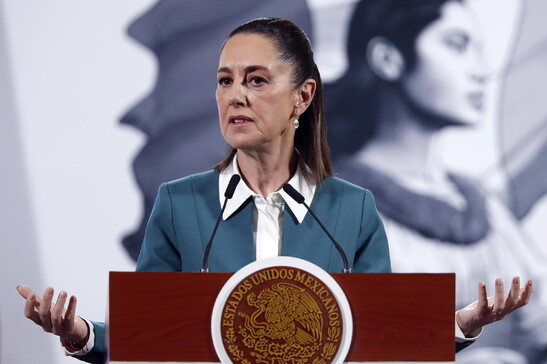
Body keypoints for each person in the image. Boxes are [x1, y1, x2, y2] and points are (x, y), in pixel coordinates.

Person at [17, 18, 532, 364]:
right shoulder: (179, 204)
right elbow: (151, 337)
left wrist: (459, 326)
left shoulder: (354, 207)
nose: (235, 95)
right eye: (224, 81)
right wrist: (81, 334)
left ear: (302, 97)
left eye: (257, 80)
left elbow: (382, 340)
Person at [324, 0, 546, 362]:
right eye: (457, 45)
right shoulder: (331, 209)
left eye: (479, 51)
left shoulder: (480, 203)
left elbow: (539, 319)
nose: (481, 70)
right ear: (387, 58)